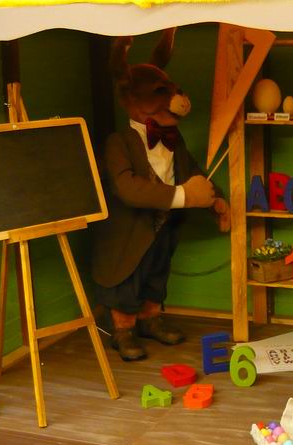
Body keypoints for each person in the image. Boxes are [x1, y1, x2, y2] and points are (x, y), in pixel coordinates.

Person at [91, 29, 230, 361]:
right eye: (161, 92)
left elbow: (193, 172)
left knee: (156, 273)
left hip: (163, 227)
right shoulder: (119, 142)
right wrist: (184, 196)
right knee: (127, 279)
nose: (176, 98)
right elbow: (128, 188)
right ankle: (123, 330)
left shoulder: (173, 139)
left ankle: (150, 319)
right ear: (134, 99)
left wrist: (215, 199)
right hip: (129, 231)